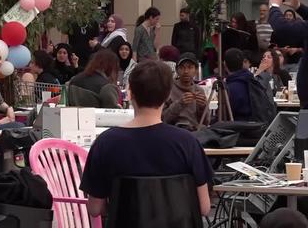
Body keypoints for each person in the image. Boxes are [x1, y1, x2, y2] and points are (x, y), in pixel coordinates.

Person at [80, 60, 213, 218]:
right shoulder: (188, 143)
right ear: (167, 94)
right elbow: (204, 208)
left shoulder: (105, 143)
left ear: (131, 93)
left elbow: (94, 209)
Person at [162, 53, 208, 130]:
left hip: (195, 133)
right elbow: (163, 119)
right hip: (174, 131)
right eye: (182, 68)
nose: (186, 71)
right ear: (177, 70)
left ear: (196, 70)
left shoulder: (199, 90)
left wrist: (203, 107)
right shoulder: (168, 89)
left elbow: (205, 122)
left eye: (190, 67)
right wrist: (179, 103)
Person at [224, 48, 256, 121]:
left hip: (236, 127)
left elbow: (224, 115)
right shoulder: (254, 81)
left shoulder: (229, 88)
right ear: (243, 63)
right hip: (256, 126)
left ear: (225, 64)